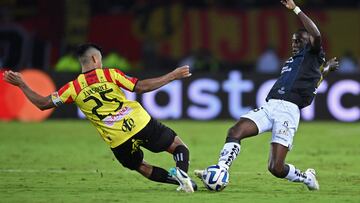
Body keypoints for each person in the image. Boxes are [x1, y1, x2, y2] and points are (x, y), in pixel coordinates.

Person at [3, 43, 197, 193]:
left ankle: (181, 182)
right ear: (95, 59)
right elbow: (141, 87)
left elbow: (43, 104)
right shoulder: (110, 74)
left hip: (117, 140)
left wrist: (22, 84)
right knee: (178, 146)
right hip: (139, 123)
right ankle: (182, 172)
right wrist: (171, 76)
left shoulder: (72, 88)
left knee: (140, 166)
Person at [195, 0, 339, 191]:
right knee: (234, 132)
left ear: (309, 43)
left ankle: (306, 177)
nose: (294, 43)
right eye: (293, 40)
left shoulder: (311, 54)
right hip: (270, 106)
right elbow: (313, 80)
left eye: (299, 40)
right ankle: (222, 169)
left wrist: (295, 9)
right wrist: (325, 71)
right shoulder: (293, 61)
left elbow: (317, 34)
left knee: (275, 168)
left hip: (288, 112)